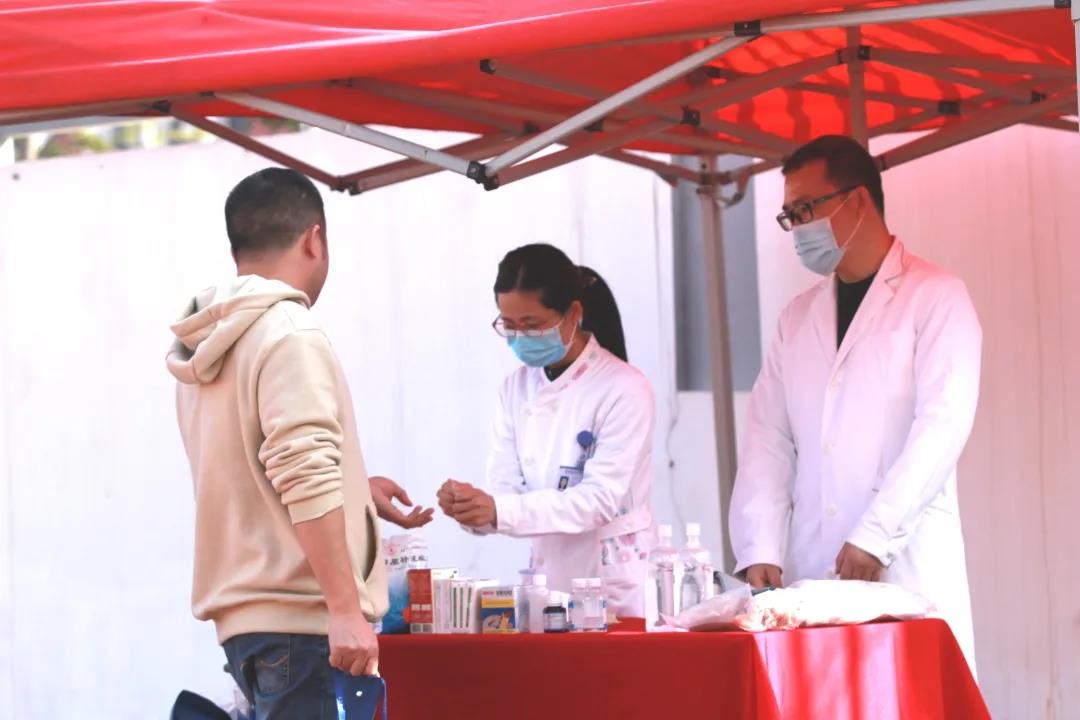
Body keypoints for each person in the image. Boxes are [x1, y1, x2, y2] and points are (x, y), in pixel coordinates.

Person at [166, 167, 431, 719]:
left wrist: (355, 493)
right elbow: (304, 473)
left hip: (250, 626)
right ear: (315, 239)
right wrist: (344, 609)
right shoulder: (289, 331)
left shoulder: (207, 346)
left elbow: (251, 474)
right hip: (305, 626)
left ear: (237, 248)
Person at [729, 135, 982, 666]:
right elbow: (768, 437)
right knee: (823, 694)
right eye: (789, 215)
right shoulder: (796, 318)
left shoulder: (936, 296)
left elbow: (942, 425)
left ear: (859, 200)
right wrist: (760, 546)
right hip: (813, 567)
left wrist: (876, 534)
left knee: (907, 690)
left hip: (900, 563)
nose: (798, 227)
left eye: (805, 208)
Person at [437, 244, 656, 616]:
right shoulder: (515, 388)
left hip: (614, 588)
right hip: (547, 584)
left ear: (573, 314)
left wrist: (498, 509)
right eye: (509, 325)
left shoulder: (624, 388)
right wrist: (473, 508)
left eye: (532, 324)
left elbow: (600, 500)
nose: (521, 337)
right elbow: (505, 489)